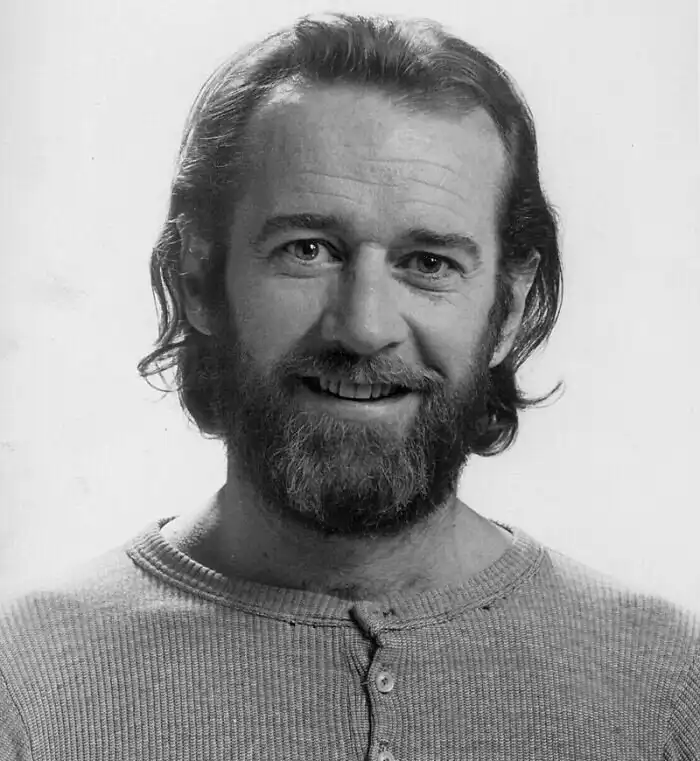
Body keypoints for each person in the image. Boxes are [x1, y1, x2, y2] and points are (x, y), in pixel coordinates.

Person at [1, 12, 698, 760]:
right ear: (199, 280)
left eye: (428, 263)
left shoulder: (667, 693)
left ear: (510, 309)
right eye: (307, 249)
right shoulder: (26, 689)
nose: (364, 328)